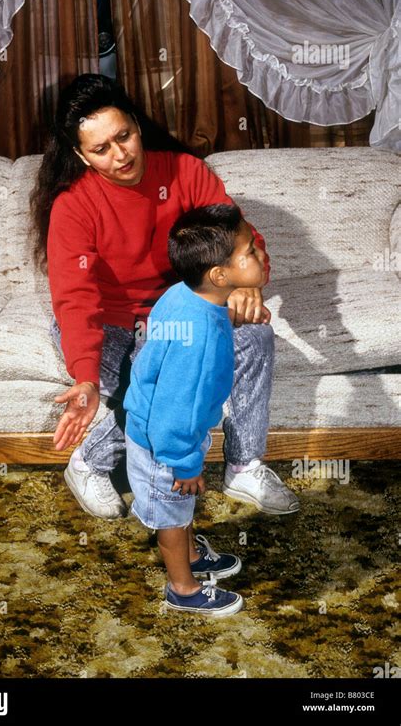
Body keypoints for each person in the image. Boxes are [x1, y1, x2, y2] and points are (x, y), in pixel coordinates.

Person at [29, 73, 299, 520]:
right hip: (110, 324)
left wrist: (248, 283)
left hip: (180, 312)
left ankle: (244, 465)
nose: (120, 155)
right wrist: (85, 376)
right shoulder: (73, 206)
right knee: (165, 387)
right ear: (80, 155)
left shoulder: (185, 172)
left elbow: (242, 239)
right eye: (101, 149)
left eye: (125, 136)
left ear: (137, 125)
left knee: (254, 339)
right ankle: (88, 463)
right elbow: (75, 300)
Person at [124, 203, 267, 615]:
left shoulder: (184, 294)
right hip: (165, 445)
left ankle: (189, 557)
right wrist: (185, 464)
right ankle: (182, 588)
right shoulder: (197, 343)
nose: (258, 254)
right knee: (171, 516)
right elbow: (176, 411)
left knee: (182, 509)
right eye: (251, 252)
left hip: (163, 430)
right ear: (220, 276)